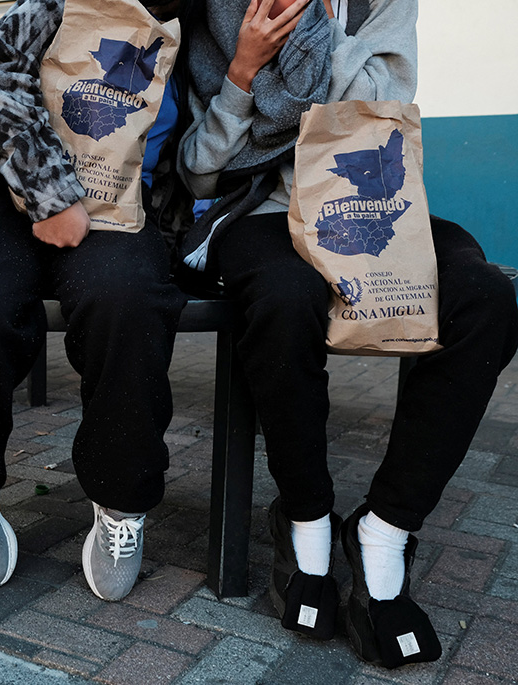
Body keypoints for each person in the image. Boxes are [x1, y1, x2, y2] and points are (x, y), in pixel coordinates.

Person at [178, 0, 518, 667]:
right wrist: (244, 70)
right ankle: (304, 518)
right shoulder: (220, 11)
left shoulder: (380, 2)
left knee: (485, 296)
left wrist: (315, 30)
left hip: (368, 210)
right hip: (262, 210)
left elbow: (379, 102)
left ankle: (384, 530)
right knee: (282, 296)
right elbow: (198, 167)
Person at [0, 0, 197, 602]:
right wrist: (49, 194)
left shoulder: (208, 17)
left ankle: (121, 499)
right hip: (5, 182)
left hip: (124, 197)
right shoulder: (55, 1)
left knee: (130, 302)